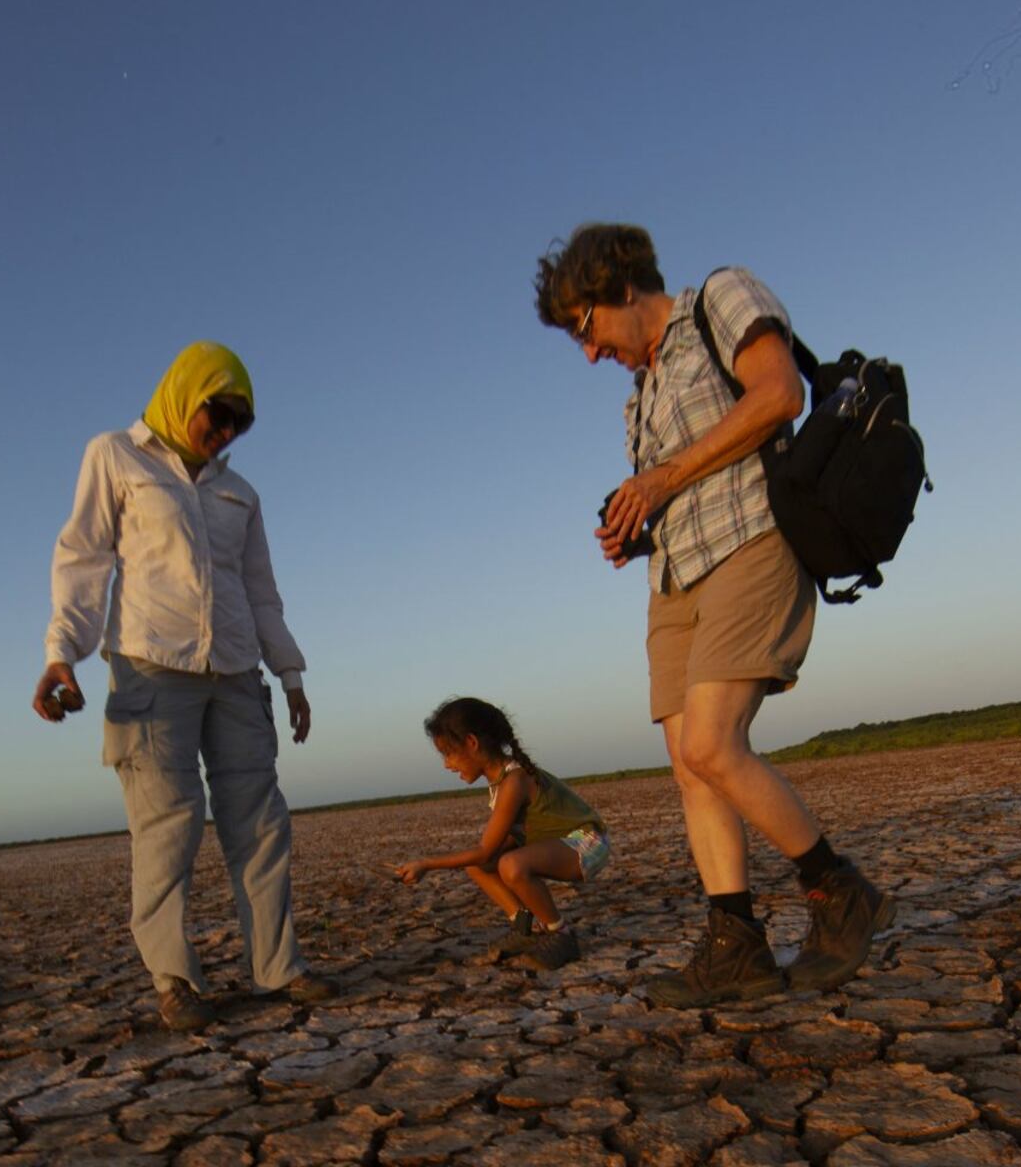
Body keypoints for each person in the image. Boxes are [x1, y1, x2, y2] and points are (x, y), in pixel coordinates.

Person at [533, 224, 894, 1007]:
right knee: (687, 763)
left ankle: (839, 890)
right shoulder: (637, 400)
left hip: (752, 542)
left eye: (586, 327)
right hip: (673, 579)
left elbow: (779, 395)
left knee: (713, 742)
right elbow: (669, 487)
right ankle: (736, 945)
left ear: (622, 287)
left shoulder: (720, 298)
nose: (589, 354)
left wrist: (661, 480)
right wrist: (637, 527)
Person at [32, 341, 336, 1031]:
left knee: (259, 822)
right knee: (168, 827)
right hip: (149, 670)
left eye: (239, 423)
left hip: (235, 674)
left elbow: (261, 592)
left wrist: (289, 674)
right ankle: (176, 981)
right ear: (182, 395)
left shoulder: (239, 493)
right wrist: (62, 655)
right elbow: (82, 559)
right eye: (217, 413)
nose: (224, 431)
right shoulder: (116, 456)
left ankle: (277, 969)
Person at [394, 697, 610, 970]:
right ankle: (525, 929)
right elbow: (493, 848)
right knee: (479, 866)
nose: (447, 765)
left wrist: (427, 864)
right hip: (556, 843)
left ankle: (561, 935)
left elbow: (486, 848)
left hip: (588, 844)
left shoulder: (514, 781)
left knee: (511, 865)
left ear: (472, 743)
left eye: (448, 753)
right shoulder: (499, 783)